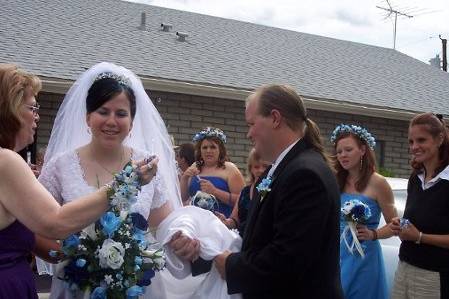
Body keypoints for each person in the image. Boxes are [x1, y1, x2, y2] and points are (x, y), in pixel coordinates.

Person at [34, 62, 198, 299]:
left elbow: (165, 224)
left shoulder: (147, 166)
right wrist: (77, 260)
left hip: (135, 287)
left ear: (132, 122)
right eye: (103, 111)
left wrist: (182, 235)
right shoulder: (61, 167)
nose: (112, 121)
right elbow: (35, 228)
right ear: (88, 117)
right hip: (77, 287)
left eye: (121, 114)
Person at [0, 65, 156, 299]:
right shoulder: (6, 161)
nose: (37, 115)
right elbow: (54, 222)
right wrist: (125, 183)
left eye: (121, 113)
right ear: (8, 109)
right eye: (32, 107)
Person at [214, 84, 343, 298]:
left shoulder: (305, 175)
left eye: (251, 124)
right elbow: (259, 233)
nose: (248, 134)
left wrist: (232, 266)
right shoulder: (280, 169)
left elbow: (289, 258)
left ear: (275, 118)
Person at [331, 124, 397, 299]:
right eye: (339, 152)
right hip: (336, 253)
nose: (342, 155)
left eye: (348, 149)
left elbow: (395, 225)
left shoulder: (378, 183)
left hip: (364, 256)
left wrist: (374, 234)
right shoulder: (335, 181)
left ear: (362, 150)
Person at [390, 113, 449, 299]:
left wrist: (420, 237)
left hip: (434, 275)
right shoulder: (415, 179)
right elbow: (414, 221)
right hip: (404, 267)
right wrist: (400, 225)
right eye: (411, 142)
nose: (414, 147)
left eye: (421, 140)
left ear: (439, 139)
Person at [180, 127, 245, 217]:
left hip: (221, 223)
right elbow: (183, 198)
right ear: (200, 150)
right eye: (205, 147)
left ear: (220, 150)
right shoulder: (195, 166)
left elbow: (243, 200)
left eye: (213, 147)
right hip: (196, 222)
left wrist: (215, 191)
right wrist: (184, 178)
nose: (208, 151)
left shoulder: (230, 169)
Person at [216, 148, 270, 236]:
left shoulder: (272, 188)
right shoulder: (245, 191)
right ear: (250, 169)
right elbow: (235, 220)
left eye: (265, 166)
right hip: (242, 240)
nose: (260, 170)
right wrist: (225, 222)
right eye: (256, 167)